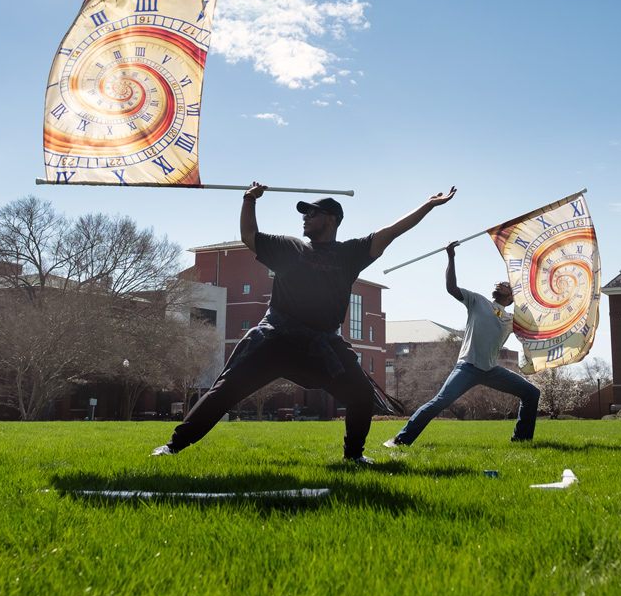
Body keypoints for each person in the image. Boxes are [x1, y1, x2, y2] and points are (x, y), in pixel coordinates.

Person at [153, 182, 456, 464]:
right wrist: (249, 199)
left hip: (320, 346)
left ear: (332, 220)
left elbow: (391, 232)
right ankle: (173, 446)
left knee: (361, 395)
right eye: (304, 213)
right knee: (226, 390)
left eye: (313, 213)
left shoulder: (349, 254)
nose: (305, 217)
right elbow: (249, 236)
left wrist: (428, 205)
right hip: (276, 339)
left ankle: (353, 457)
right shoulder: (290, 248)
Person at [384, 240, 540, 448]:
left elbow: (537, 328)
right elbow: (451, 288)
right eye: (500, 282)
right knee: (440, 402)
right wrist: (451, 257)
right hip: (467, 367)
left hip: (491, 370)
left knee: (532, 393)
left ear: (511, 298)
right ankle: (400, 440)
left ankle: (522, 440)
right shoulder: (477, 301)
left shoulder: (513, 320)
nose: (500, 283)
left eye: (506, 284)